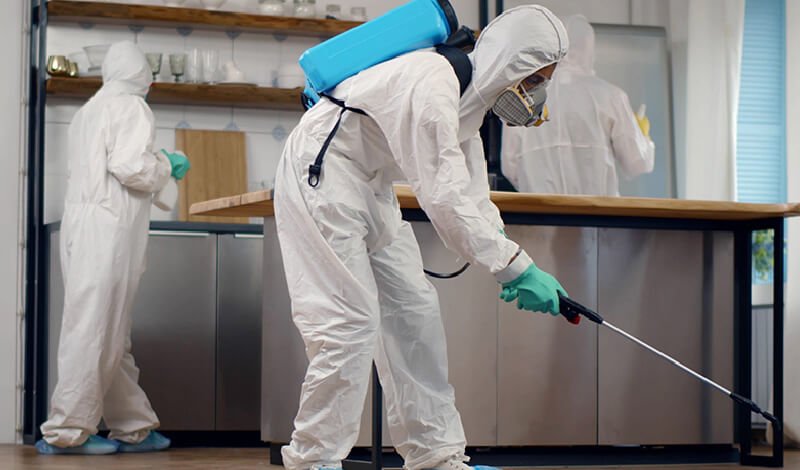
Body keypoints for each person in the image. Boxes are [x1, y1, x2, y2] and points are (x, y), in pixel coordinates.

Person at [273, 6, 568, 470]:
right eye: (534, 79)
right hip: (322, 173)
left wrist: (509, 254)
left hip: (368, 187)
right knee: (347, 325)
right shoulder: (432, 85)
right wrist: (515, 266)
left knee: (415, 313)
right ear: (510, 62)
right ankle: (314, 461)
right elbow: (444, 198)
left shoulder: (469, 97)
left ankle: (436, 456)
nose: (537, 92)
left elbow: (470, 190)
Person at [36, 41, 190, 455]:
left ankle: (133, 426)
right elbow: (129, 166)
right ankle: (67, 432)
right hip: (109, 230)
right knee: (94, 329)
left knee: (108, 330)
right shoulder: (131, 106)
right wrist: (165, 165)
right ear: (142, 75)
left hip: (83, 225)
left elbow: (111, 161)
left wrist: (155, 159)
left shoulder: (89, 111)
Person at [501, 15, 655, 196]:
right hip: (595, 218)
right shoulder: (610, 96)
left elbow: (510, 168)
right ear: (589, 48)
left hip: (540, 217)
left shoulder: (524, 99)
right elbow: (637, 163)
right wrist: (643, 137)